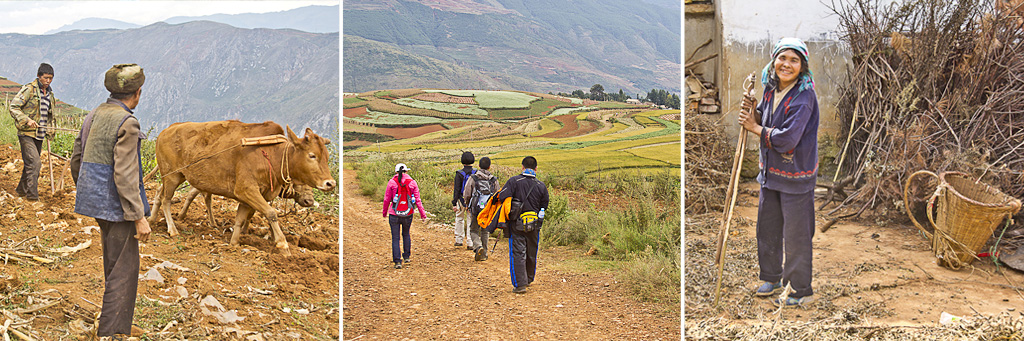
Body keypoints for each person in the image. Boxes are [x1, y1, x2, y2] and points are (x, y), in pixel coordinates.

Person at [70, 64, 151, 339]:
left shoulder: (94, 114)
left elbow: (76, 160)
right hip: (118, 208)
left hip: (95, 202)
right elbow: (126, 174)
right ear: (137, 93)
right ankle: (113, 332)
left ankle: (117, 323)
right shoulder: (127, 122)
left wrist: (88, 191)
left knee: (113, 263)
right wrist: (138, 216)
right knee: (125, 269)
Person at [738, 37, 820, 308]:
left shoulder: (804, 96)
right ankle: (771, 277)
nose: (787, 64)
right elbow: (763, 117)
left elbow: (788, 139)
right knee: (768, 228)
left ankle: (798, 289)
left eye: (794, 60)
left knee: (796, 234)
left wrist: (754, 128)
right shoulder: (772, 89)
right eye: (782, 58)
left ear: (802, 66)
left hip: (796, 176)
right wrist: (752, 111)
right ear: (774, 60)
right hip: (770, 174)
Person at [497, 156, 548, 294]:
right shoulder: (541, 185)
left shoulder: (514, 181)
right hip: (534, 224)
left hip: (516, 224)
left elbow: (502, 197)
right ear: (536, 168)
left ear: (522, 167)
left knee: (518, 253)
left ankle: (520, 284)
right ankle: (529, 279)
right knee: (532, 251)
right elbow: (544, 205)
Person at [8, 63, 56, 201]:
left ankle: (21, 190)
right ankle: (32, 198)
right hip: (27, 133)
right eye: (46, 78)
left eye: (51, 78)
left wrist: (50, 128)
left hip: (39, 135)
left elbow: (48, 115)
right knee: (35, 163)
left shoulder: (50, 94)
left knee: (30, 163)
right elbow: (14, 107)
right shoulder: (29, 90)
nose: (48, 81)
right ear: (39, 76)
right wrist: (27, 120)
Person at [382, 163, 427, 269]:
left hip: (394, 214)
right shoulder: (412, 183)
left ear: (396, 172)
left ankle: (397, 261)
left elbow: (386, 199)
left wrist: (384, 213)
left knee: (395, 238)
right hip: (408, 213)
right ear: (406, 171)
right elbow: (418, 200)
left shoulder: (392, 182)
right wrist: (422, 214)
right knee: (406, 234)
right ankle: (406, 257)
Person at [463, 156, 498, 261]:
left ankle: (478, 246)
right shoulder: (493, 180)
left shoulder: (474, 178)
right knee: (485, 230)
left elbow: (467, 193)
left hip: (476, 208)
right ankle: (484, 254)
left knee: (473, 229)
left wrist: (467, 204)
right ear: (489, 167)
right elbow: (497, 195)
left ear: (479, 166)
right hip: (488, 209)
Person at [451, 151, 475, 248]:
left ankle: (459, 240)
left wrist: (454, 202)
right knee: (470, 220)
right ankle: (470, 242)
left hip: (461, 199)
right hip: (472, 200)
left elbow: (456, 189)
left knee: (459, 218)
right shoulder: (475, 173)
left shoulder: (459, 173)